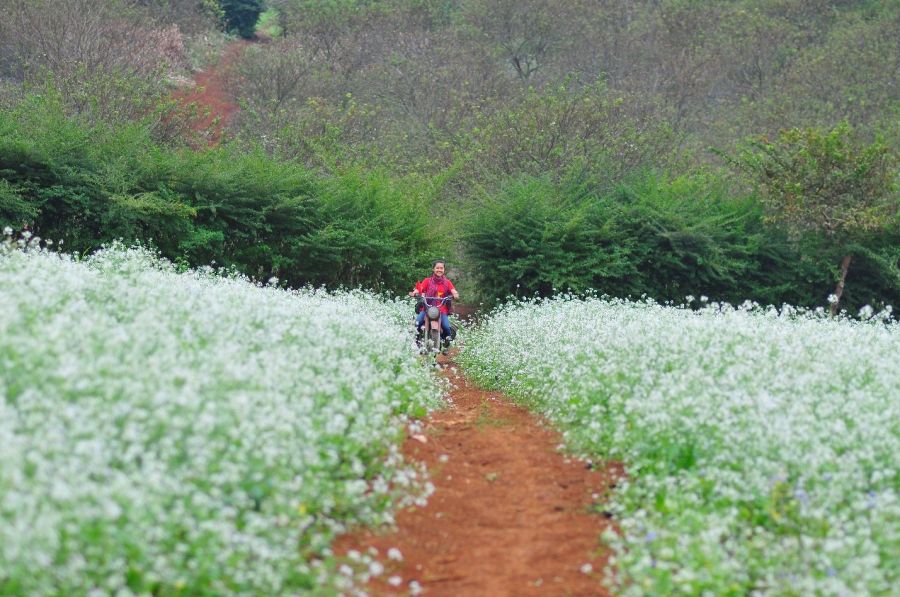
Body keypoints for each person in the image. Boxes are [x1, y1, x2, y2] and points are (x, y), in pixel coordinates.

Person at [409, 260, 459, 342]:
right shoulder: (427, 281)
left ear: (444, 270)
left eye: (441, 268)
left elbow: (453, 290)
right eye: (437, 268)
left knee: (446, 327)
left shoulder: (447, 282)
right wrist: (415, 293)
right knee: (417, 323)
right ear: (433, 269)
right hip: (426, 309)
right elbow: (420, 289)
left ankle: (446, 341)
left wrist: (455, 294)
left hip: (441, 310)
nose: (439, 270)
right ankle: (416, 341)